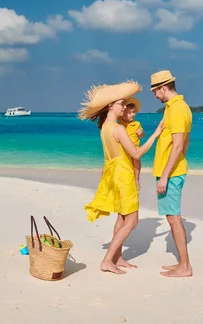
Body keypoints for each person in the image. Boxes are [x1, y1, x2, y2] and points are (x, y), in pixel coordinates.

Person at [79, 80, 163, 275]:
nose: (124, 107)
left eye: (125, 104)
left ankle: (117, 257)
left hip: (112, 173)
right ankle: (108, 260)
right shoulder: (118, 129)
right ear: (111, 106)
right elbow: (136, 153)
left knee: (122, 216)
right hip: (123, 175)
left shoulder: (105, 128)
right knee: (132, 220)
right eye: (121, 104)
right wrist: (155, 134)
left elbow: (109, 157)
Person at [150, 70, 193, 278]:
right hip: (175, 170)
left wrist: (166, 175)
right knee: (173, 217)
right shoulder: (178, 108)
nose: (154, 96)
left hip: (171, 173)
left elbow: (177, 146)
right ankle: (182, 264)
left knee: (173, 218)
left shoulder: (176, 109)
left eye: (155, 91)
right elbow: (185, 143)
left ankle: (184, 266)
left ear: (163, 88)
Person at [119, 97, 145, 191]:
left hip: (135, 149)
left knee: (136, 161)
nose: (132, 115)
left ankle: (137, 179)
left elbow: (142, 135)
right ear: (123, 114)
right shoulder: (120, 124)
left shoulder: (137, 124)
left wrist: (140, 133)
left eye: (134, 112)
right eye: (129, 113)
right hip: (124, 150)